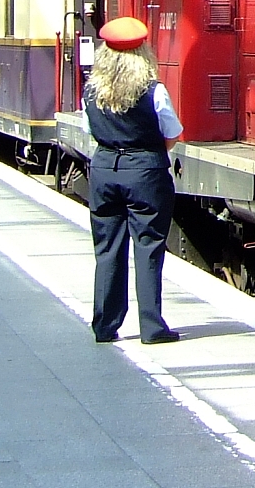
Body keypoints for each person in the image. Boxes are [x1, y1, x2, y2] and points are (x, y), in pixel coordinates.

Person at [82, 17, 183, 344]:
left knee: (107, 248)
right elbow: (173, 135)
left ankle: (105, 325)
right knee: (149, 247)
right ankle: (152, 327)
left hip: (105, 170)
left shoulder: (91, 89)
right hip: (146, 173)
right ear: (143, 53)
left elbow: (89, 130)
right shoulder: (155, 91)